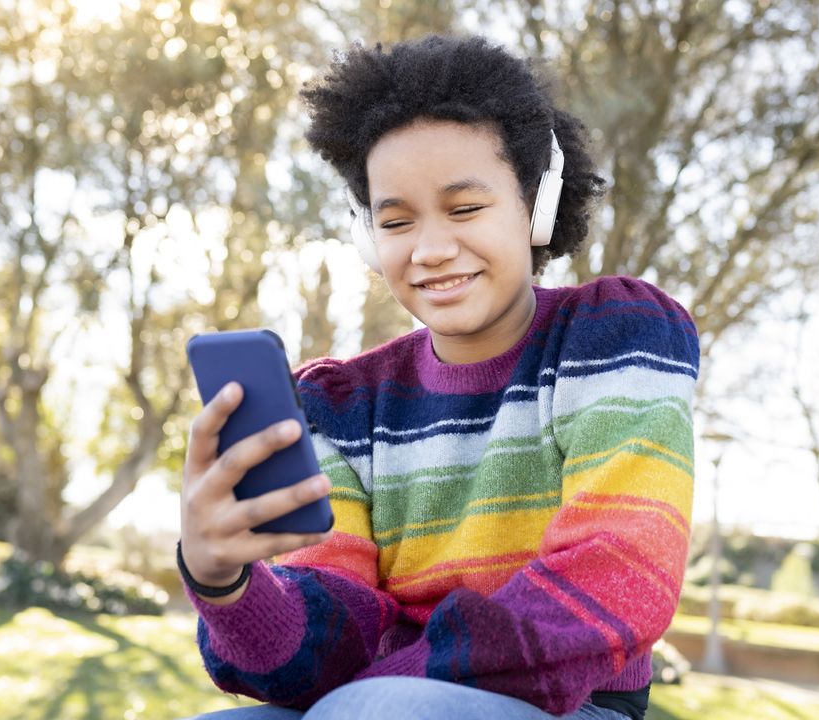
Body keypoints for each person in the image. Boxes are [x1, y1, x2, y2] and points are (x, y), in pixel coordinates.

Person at [177, 34, 700, 720]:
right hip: (369, 701)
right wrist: (224, 585)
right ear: (369, 234)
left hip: (575, 703)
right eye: (396, 220)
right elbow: (323, 652)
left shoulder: (615, 335)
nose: (429, 249)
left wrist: (374, 686)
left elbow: (617, 575)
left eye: (464, 208)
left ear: (536, 204)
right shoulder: (337, 402)